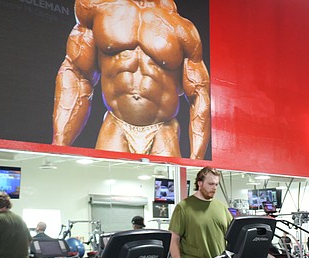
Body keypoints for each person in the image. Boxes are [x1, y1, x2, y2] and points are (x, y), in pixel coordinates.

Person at [52, 0, 211, 159]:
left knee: (167, 184)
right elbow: (77, 75)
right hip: (116, 124)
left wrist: (197, 160)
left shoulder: (182, 29)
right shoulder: (96, 7)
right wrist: (60, 145)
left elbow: (199, 94)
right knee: (106, 182)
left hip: (163, 130)